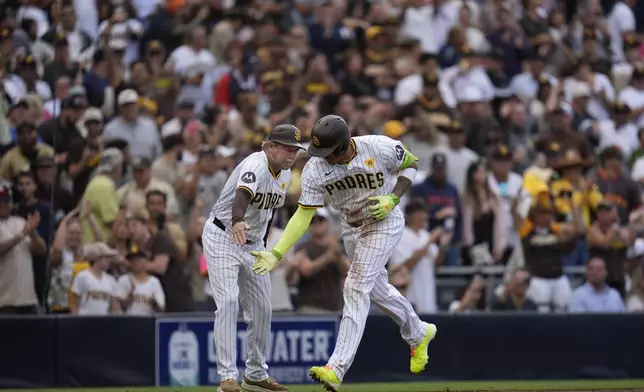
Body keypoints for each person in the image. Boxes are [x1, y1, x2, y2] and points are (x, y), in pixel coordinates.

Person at [251, 115, 437, 392]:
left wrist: (394, 197)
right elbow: (304, 215)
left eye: (327, 152)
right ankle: (419, 332)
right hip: (351, 229)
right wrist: (277, 252)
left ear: (345, 144)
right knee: (376, 289)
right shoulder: (315, 169)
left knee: (354, 286)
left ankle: (336, 368)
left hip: (384, 221)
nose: (322, 158)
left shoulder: (377, 146)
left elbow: (411, 164)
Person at [202, 124, 304, 392]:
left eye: (295, 149)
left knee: (262, 309)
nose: (291, 153)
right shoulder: (256, 164)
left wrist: (266, 245)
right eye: (285, 147)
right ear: (269, 147)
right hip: (223, 235)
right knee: (228, 301)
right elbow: (242, 195)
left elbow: (268, 214)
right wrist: (237, 220)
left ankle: (256, 373)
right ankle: (227, 377)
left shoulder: (284, 174)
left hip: (254, 243)